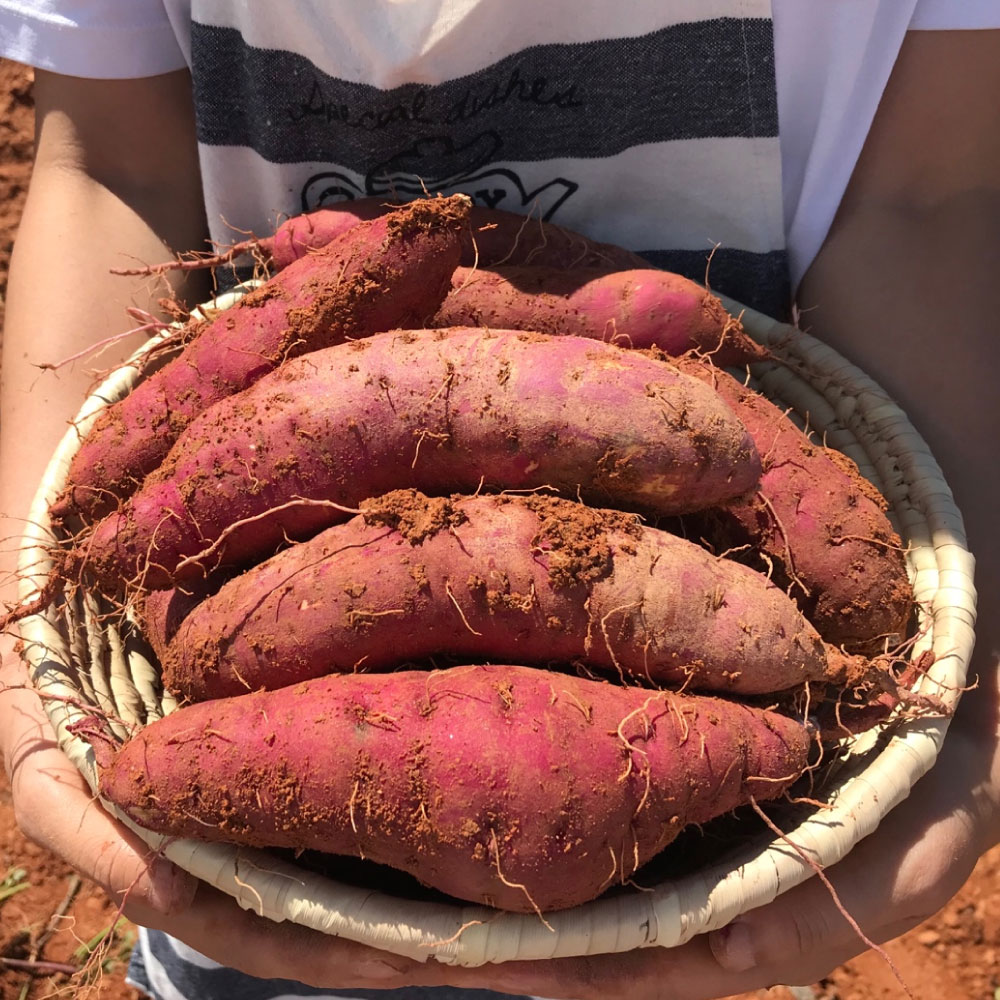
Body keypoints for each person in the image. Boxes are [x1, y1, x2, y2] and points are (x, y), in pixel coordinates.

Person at [0, 2, 998, 997]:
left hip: (710, 864)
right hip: (253, 855)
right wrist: (24, 613)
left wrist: (971, 716)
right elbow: (109, 166)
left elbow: (925, 197)